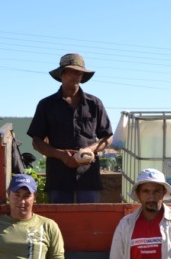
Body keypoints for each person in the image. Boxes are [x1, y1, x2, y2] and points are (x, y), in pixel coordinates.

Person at [26, 53, 112, 204]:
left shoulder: (95, 104)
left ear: (82, 76)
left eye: (78, 72)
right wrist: (61, 155)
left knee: (90, 217)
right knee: (60, 217)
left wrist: (90, 150)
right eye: (70, 71)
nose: (75, 75)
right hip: (59, 177)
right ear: (61, 74)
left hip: (88, 177)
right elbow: (37, 142)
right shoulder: (46, 105)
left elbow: (107, 137)